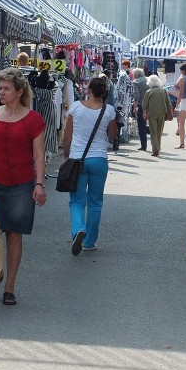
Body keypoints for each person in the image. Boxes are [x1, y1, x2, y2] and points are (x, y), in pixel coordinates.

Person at [0, 67, 47, 306]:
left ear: (19, 91)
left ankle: (10, 286)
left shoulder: (33, 119)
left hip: (22, 184)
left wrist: (39, 184)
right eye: (0, 88)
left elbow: (39, 155)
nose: (1, 92)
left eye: (6, 88)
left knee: (14, 234)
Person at [62, 77, 118, 255]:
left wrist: (67, 157)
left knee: (77, 200)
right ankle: (90, 241)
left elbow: (66, 137)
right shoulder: (108, 110)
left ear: (89, 90)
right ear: (104, 93)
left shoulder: (76, 107)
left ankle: (78, 229)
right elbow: (112, 135)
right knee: (95, 202)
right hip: (99, 160)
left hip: (77, 159)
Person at [142, 75, 173, 157]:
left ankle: (155, 149)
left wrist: (144, 112)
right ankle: (158, 147)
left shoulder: (149, 92)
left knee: (153, 132)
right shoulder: (164, 91)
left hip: (152, 113)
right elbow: (168, 103)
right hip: (162, 113)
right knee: (159, 131)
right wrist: (170, 112)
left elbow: (144, 104)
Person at [132, 68, 149, 151]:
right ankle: (156, 145)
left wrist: (135, 108)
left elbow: (136, 96)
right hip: (151, 105)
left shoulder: (136, 82)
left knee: (141, 125)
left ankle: (144, 145)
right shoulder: (148, 80)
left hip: (142, 106)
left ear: (136, 74)